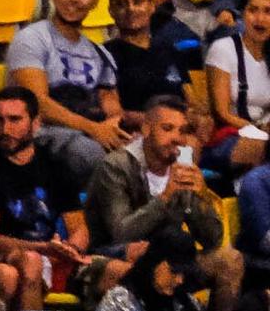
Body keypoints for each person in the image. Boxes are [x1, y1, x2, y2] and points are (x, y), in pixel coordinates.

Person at [86, 95, 239, 311]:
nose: (177, 138)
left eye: (182, 130)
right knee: (150, 268)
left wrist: (202, 196)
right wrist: (165, 197)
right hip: (113, 256)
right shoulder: (116, 166)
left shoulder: (183, 164)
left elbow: (212, 239)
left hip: (170, 259)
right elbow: (120, 232)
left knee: (230, 260)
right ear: (147, 129)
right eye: (168, 128)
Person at [0, 86, 95, 305]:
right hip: (7, 257)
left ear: (35, 123)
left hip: (54, 255)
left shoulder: (55, 165)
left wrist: (71, 250)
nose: (5, 128)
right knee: (31, 262)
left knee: (118, 269)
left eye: (15, 120)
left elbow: (79, 227)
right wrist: (45, 249)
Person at [7, 0, 128, 180]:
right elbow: (37, 104)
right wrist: (93, 129)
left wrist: (113, 125)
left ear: (95, 2)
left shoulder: (100, 53)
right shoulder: (32, 38)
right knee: (95, 155)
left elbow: (111, 106)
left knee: (149, 152)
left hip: (89, 130)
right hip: (42, 133)